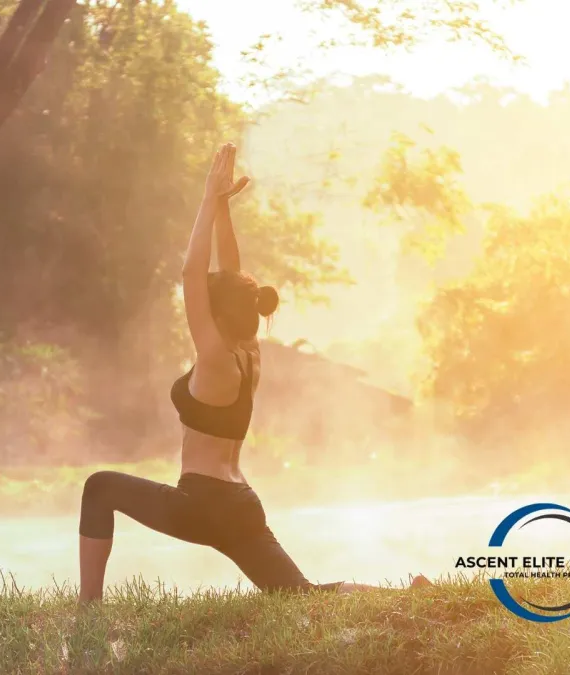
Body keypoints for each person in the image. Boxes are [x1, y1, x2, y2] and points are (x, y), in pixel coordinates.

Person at [77, 143, 412, 603]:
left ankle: (87, 611)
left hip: (203, 505)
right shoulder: (248, 350)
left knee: (99, 488)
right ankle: (408, 597)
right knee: (304, 596)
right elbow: (230, 275)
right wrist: (221, 207)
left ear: (215, 312)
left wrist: (205, 196)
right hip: (240, 505)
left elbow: (192, 273)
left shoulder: (214, 355)